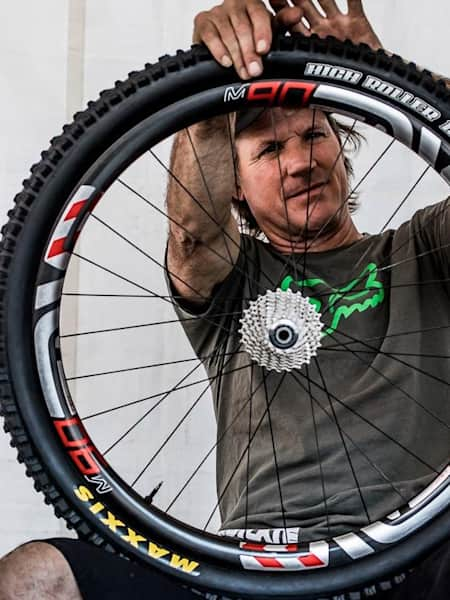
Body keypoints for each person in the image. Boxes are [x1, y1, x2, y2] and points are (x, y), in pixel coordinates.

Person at [0, 1, 448, 599]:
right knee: (38, 578)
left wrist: (398, 80)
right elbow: (193, 235)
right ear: (234, 185)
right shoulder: (231, 279)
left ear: (342, 146)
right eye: (267, 152)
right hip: (253, 575)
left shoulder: (425, 246)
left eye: (314, 135)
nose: (299, 162)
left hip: (419, 554)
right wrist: (211, 107)